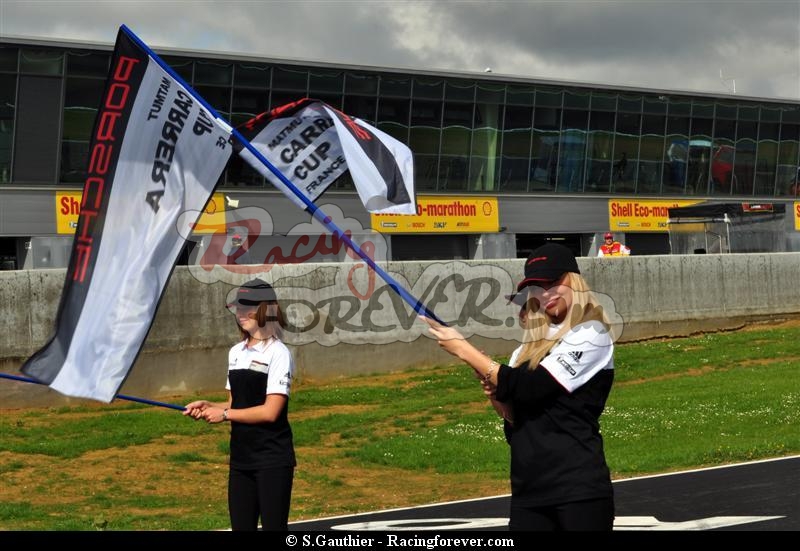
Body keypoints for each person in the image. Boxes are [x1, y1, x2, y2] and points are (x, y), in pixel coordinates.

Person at [421, 243, 616, 531]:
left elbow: (532, 388)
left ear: (573, 280)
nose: (545, 293)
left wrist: (465, 349)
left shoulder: (591, 333)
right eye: (537, 287)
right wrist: (493, 388)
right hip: (529, 489)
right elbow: (515, 419)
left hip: (578, 488)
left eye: (553, 282)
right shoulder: (525, 350)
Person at [184, 278, 296, 531]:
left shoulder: (279, 353)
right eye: (237, 307)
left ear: (266, 310)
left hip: (272, 460)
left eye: (248, 307)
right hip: (241, 459)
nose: (240, 313)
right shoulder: (236, 352)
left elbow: (270, 411)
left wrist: (224, 414)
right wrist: (208, 405)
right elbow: (235, 403)